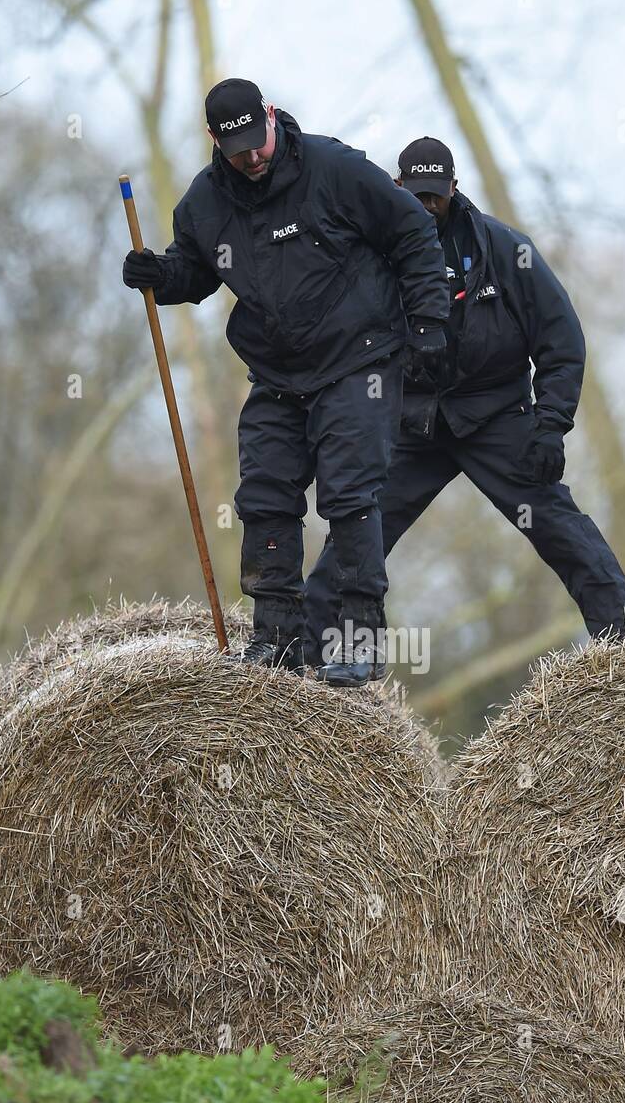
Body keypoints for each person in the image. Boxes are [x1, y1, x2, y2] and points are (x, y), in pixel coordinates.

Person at [122, 81, 449, 685]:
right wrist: (159, 275)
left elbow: (414, 236)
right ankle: (275, 640)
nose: (253, 156)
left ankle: (357, 640)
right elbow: (196, 271)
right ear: (216, 141)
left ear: (271, 117)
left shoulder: (336, 169)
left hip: (360, 357)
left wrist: (429, 321)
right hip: (276, 372)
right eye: (237, 147)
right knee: (265, 496)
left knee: (349, 494)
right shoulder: (202, 204)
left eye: (258, 140)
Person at [304, 137, 625, 671]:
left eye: (434, 197)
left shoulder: (507, 251)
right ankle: (312, 664)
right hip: (411, 426)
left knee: (559, 526)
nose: (424, 207)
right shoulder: (367, 257)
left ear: (454, 190)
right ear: (396, 189)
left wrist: (551, 425)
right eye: (413, 196)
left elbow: (561, 340)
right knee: (356, 532)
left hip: (496, 419)